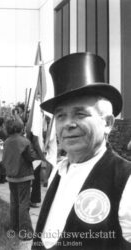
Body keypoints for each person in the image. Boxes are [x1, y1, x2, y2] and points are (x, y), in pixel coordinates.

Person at [32, 53, 131, 250]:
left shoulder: (125, 179)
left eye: (80, 113)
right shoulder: (58, 171)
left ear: (108, 123)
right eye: (60, 116)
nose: (68, 124)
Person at [2, 116, 36, 240]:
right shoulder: (24, 141)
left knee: (14, 203)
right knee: (23, 204)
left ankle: (14, 228)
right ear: (20, 126)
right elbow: (31, 157)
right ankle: (26, 232)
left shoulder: (7, 141)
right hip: (23, 176)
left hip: (11, 176)